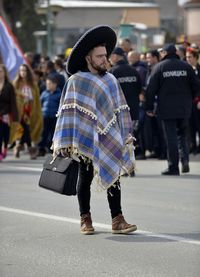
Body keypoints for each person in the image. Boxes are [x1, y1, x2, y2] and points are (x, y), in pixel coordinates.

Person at [52, 25, 137, 235]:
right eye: (99, 56)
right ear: (88, 58)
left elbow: (120, 109)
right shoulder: (75, 81)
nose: (104, 60)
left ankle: (117, 219)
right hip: (85, 138)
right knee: (86, 175)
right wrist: (65, 140)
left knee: (114, 176)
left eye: (105, 56)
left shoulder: (110, 79)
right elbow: (66, 113)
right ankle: (85, 218)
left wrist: (125, 135)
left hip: (110, 136)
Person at [146, 43, 200, 175]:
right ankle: (185, 160)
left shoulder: (159, 67)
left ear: (164, 53)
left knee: (171, 138)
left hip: (166, 109)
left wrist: (149, 106)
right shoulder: (186, 66)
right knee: (183, 135)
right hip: (184, 108)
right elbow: (196, 87)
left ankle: (173, 167)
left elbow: (151, 89)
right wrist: (190, 100)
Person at [109, 47, 142, 175]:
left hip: (118, 111)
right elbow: (139, 89)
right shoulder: (134, 71)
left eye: (111, 56)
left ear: (116, 56)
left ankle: (121, 167)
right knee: (129, 139)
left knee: (118, 140)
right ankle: (130, 167)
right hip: (133, 110)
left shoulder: (112, 72)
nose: (110, 59)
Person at [12, 64, 42, 159]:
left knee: (26, 129)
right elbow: (13, 97)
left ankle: (18, 147)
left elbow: (36, 99)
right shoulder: (16, 83)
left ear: (28, 72)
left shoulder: (33, 85)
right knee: (24, 129)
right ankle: (30, 150)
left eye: (25, 70)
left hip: (29, 110)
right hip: (19, 110)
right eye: (21, 70)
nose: (23, 73)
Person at [38, 75, 61, 156]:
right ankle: (41, 149)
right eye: (47, 83)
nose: (47, 85)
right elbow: (39, 104)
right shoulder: (44, 93)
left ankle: (53, 149)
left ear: (55, 84)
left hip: (54, 117)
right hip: (45, 116)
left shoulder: (59, 94)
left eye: (49, 83)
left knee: (53, 134)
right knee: (43, 133)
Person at [0, 64, 18, 161]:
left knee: (5, 134)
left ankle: (5, 148)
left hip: (6, 114)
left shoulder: (9, 85)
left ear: (4, 73)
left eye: (1, 71)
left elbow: (13, 101)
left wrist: (15, 116)